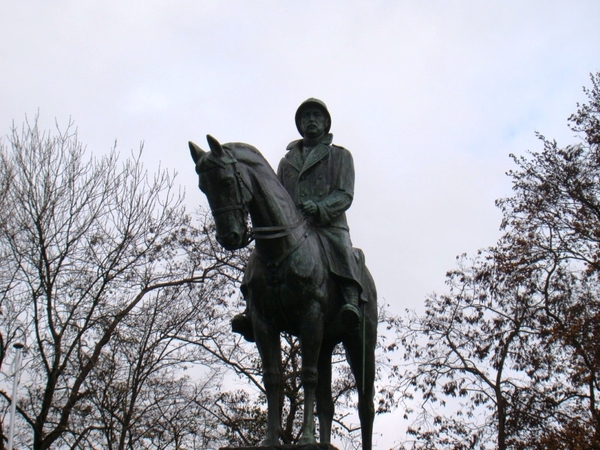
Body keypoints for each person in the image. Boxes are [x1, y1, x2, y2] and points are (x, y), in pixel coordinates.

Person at [232, 98, 363, 340]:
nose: (311, 120)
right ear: (300, 124)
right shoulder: (287, 161)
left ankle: (351, 299)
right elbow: (278, 197)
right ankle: (251, 309)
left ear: (325, 122)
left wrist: (321, 207)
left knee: (341, 248)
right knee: (258, 257)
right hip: (295, 226)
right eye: (306, 117)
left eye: (316, 115)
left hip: (328, 224)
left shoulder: (340, 156)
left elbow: (345, 194)